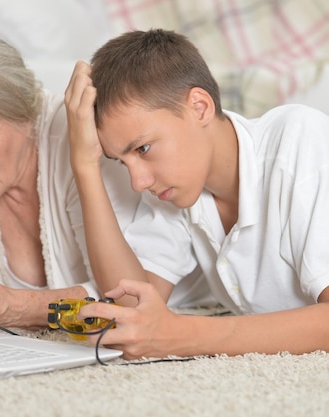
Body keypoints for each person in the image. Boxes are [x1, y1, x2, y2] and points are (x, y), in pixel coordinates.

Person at [0, 32, 210, 331]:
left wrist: (7, 307)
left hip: (192, 294)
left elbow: (126, 304)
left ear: (25, 114)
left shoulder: (81, 141)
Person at [64, 28, 329, 359]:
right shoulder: (177, 189)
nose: (138, 181)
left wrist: (183, 334)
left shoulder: (299, 140)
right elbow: (131, 307)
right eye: (121, 162)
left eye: (143, 148)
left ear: (200, 107)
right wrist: (85, 167)